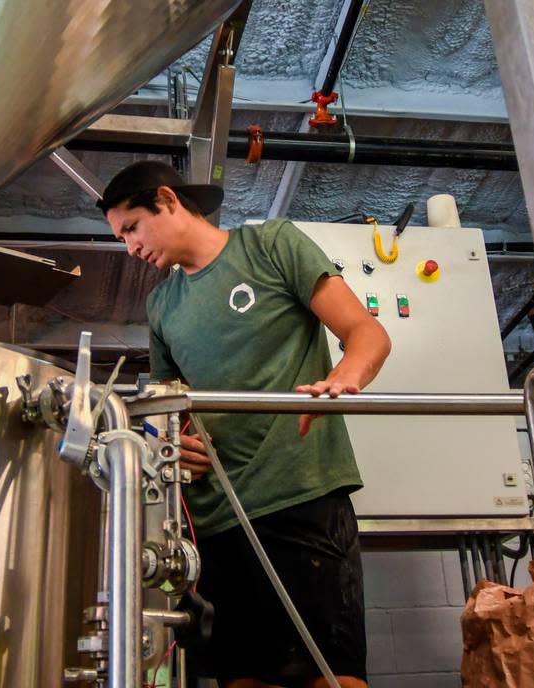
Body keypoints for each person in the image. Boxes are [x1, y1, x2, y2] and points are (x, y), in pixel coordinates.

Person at [97, 160, 391, 688]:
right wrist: (175, 444)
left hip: (299, 495)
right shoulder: (162, 304)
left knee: (330, 677)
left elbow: (366, 333)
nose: (130, 249)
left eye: (132, 228)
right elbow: (169, 412)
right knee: (243, 680)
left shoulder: (270, 246)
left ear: (167, 199)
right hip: (215, 519)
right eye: (121, 238)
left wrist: (343, 379)